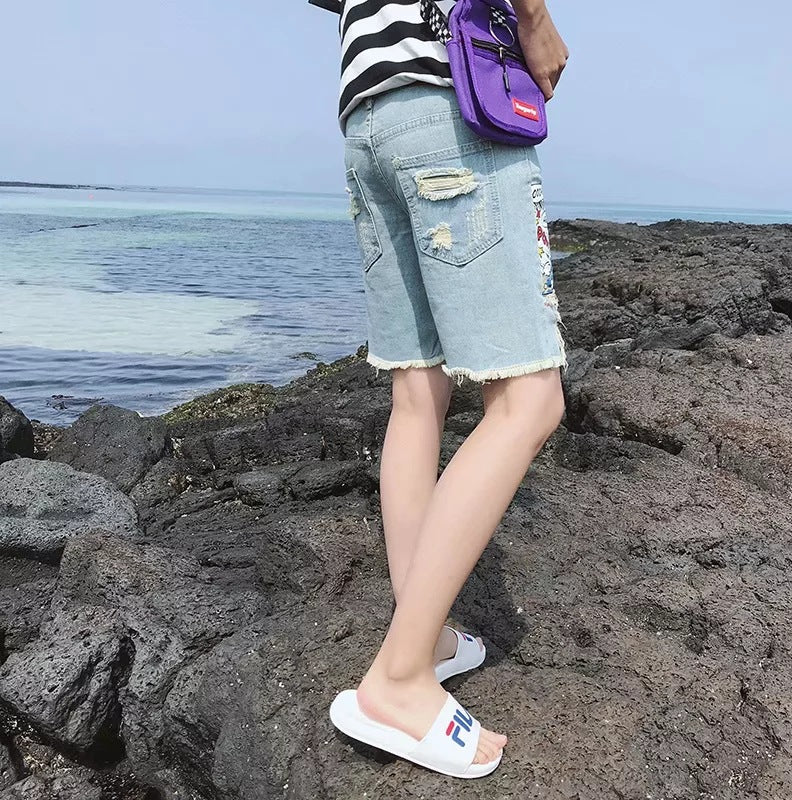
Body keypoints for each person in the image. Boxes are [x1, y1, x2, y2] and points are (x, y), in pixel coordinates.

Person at [316, 0, 570, 779]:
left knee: (417, 392)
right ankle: (397, 680)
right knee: (530, 401)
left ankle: (421, 641)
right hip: (447, 101)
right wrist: (535, 18)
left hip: (368, 120)